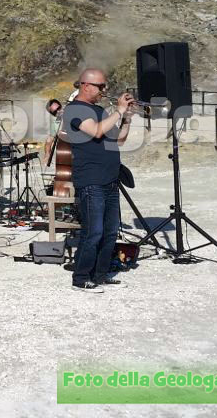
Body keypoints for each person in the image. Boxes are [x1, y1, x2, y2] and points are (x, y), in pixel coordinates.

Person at [62, 68, 132, 294]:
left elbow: (118, 140)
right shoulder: (74, 109)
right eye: (101, 86)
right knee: (93, 232)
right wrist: (119, 110)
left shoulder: (100, 110)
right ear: (85, 85)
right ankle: (81, 278)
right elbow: (96, 132)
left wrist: (127, 118)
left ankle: (100, 275)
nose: (104, 90)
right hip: (91, 179)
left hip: (110, 179)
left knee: (110, 232)